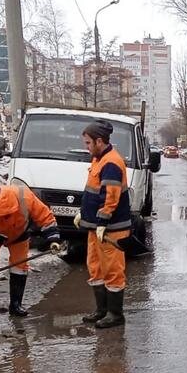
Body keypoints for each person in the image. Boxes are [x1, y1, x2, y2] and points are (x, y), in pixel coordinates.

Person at [0, 184, 61, 320]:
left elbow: (45, 217)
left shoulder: (26, 197)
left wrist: (53, 239)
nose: (3, 219)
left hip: (19, 234)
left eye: (6, 215)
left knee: (19, 267)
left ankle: (15, 305)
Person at [73, 119, 130, 328]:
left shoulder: (112, 162)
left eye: (88, 143)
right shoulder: (99, 159)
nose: (86, 147)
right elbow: (93, 192)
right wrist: (83, 214)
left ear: (99, 141)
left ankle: (115, 314)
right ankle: (102, 310)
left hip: (110, 229)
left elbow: (110, 197)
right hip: (95, 227)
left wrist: (103, 221)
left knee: (112, 269)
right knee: (95, 267)